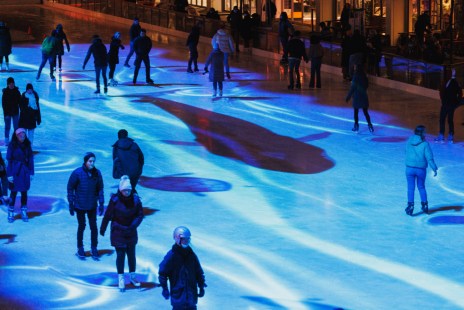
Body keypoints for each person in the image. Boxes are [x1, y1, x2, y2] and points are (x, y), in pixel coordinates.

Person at [100, 175, 144, 292]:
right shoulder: (115, 200)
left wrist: (133, 226)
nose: (127, 192)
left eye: (129, 190)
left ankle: (133, 277)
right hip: (118, 231)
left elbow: (140, 215)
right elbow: (108, 215)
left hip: (131, 232)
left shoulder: (135, 200)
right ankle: (121, 278)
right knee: (120, 255)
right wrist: (103, 228)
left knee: (131, 255)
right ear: (121, 190)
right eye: (125, 190)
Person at [67, 152, 105, 259]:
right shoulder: (77, 173)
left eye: (93, 161)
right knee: (82, 226)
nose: (92, 163)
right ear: (85, 161)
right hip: (80, 205)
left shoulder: (97, 173)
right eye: (90, 161)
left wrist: (101, 203)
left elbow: (100, 189)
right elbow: (70, 188)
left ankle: (94, 247)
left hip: (92, 205)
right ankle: (80, 248)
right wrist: (71, 203)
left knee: (93, 227)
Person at [158, 226, 206, 309]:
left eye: (188, 239)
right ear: (177, 239)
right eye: (184, 239)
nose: (186, 241)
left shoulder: (191, 255)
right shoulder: (171, 256)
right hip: (178, 298)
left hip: (191, 298)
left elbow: (198, 272)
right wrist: (164, 288)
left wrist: (201, 286)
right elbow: (162, 273)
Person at [405, 125, 438, 216]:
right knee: (421, 187)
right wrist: (434, 168)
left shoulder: (409, 141)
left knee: (410, 188)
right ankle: (424, 205)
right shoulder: (425, 144)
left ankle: (410, 206)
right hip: (420, 170)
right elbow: (429, 158)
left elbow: (406, 152)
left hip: (409, 169)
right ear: (422, 133)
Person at [6, 128, 34, 223]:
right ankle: (10, 212)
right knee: (13, 192)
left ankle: (23, 211)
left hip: (24, 171)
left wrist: (31, 172)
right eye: (21, 135)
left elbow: (30, 159)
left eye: (24, 135)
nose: (23, 136)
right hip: (14, 171)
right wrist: (9, 174)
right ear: (17, 136)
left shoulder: (27, 145)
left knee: (24, 192)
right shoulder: (12, 145)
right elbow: (9, 160)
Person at [435, 68, 462, 143]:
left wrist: (443, 101)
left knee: (442, 119)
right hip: (452, 105)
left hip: (446, 105)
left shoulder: (446, 82)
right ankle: (450, 136)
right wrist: (456, 102)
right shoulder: (456, 83)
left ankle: (441, 135)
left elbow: (442, 92)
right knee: (450, 120)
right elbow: (460, 93)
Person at [345, 65, 374, 133]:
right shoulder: (364, 76)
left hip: (357, 97)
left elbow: (352, 88)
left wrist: (348, 97)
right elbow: (367, 85)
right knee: (365, 112)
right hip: (364, 96)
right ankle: (370, 125)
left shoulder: (355, 76)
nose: (354, 68)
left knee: (356, 112)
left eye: (355, 67)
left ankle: (356, 126)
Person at [19, 83, 41, 148]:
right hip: (25, 119)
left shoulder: (35, 97)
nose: (30, 91)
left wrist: (38, 119)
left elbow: (38, 109)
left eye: (31, 89)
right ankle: (24, 147)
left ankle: (30, 148)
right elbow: (22, 108)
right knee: (24, 135)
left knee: (31, 135)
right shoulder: (23, 96)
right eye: (28, 89)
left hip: (32, 119)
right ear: (26, 90)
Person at [2, 77, 21, 146]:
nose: (11, 85)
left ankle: (16, 140)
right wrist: (6, 114)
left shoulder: (17, 91)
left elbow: (20, 102)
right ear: (8, 84)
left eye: (12, 83)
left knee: (16, 127)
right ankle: (6, 140)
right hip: (8, 113)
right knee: (7, 127)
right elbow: (4, 104)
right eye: (10, 84)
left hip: (15, 112)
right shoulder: (5, 92)